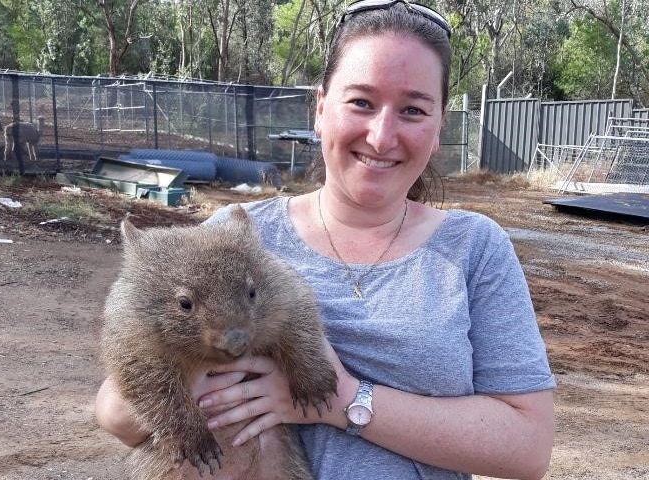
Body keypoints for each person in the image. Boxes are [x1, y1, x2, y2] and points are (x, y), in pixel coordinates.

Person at [95, 1, 556, 478]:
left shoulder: (474, 248)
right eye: (361, 102)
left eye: (413, 110)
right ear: (319, 109)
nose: (381, 136)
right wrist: (200, 381)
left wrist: (344, 401)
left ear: (440, 127)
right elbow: (115, 412)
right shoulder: (235, 235)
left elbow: (527, 450)